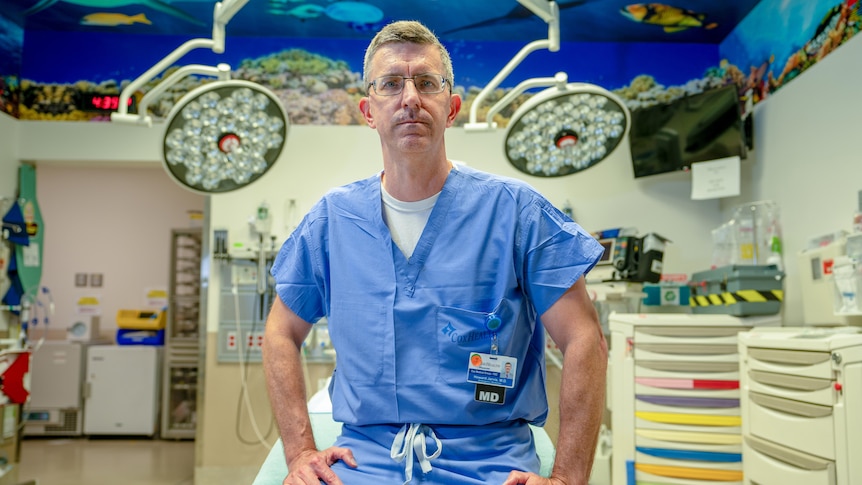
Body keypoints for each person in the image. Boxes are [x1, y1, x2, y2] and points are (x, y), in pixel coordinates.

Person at [262, 19, 608, 485]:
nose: (409, 99)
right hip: (363, 463)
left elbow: (584, 339)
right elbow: (280, 332)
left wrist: (568, 477)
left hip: (491, 463)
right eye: (390, 84)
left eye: (427, 83)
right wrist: (300, 449)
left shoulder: (517, 213)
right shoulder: (332, 221)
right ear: (368, 110)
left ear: (452, 108)